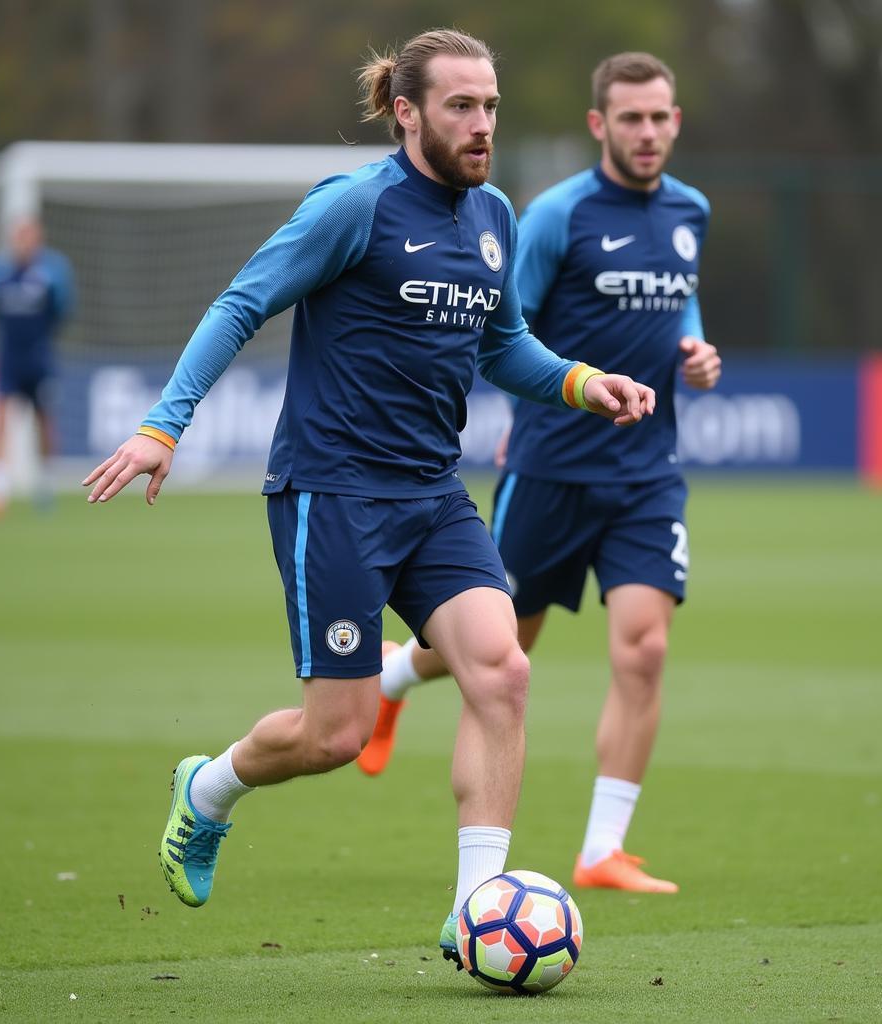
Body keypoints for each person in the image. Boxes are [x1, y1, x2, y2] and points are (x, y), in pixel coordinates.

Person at [81, 29, 654, 963]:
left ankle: (476, 906)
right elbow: (241, 303)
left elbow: (502, 344)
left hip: (431, 494)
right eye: (462, 106)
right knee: (334, 736)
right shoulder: (356, 206)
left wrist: (585, 381)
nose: (482, 125)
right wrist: (163, 424)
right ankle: (209, 790)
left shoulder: (494, 216)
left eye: (492, 106)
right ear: (407, 112)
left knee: (503, 671)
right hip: (331, 495)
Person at [358, 51, 722, 895]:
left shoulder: (691, 211)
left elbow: (682, 301)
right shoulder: (556, 214)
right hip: (551, 469)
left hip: (647, 472)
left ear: (675, 122)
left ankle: (602, 850)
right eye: (630, 118)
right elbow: (497, 321)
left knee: (645, 649)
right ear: (601, 125)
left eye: (660, 117)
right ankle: (394, 675)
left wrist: (694, 353)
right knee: (495, 653)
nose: (647, 132)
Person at [0, 218, 74, 518]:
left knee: (44, 420)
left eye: (28, 235)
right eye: (18, 235)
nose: (23, 241)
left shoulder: (53, 273)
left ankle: (44, 485)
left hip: (40, 357)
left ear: (38, 238)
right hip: (9, 358)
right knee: (1, 418)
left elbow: (62, 310)